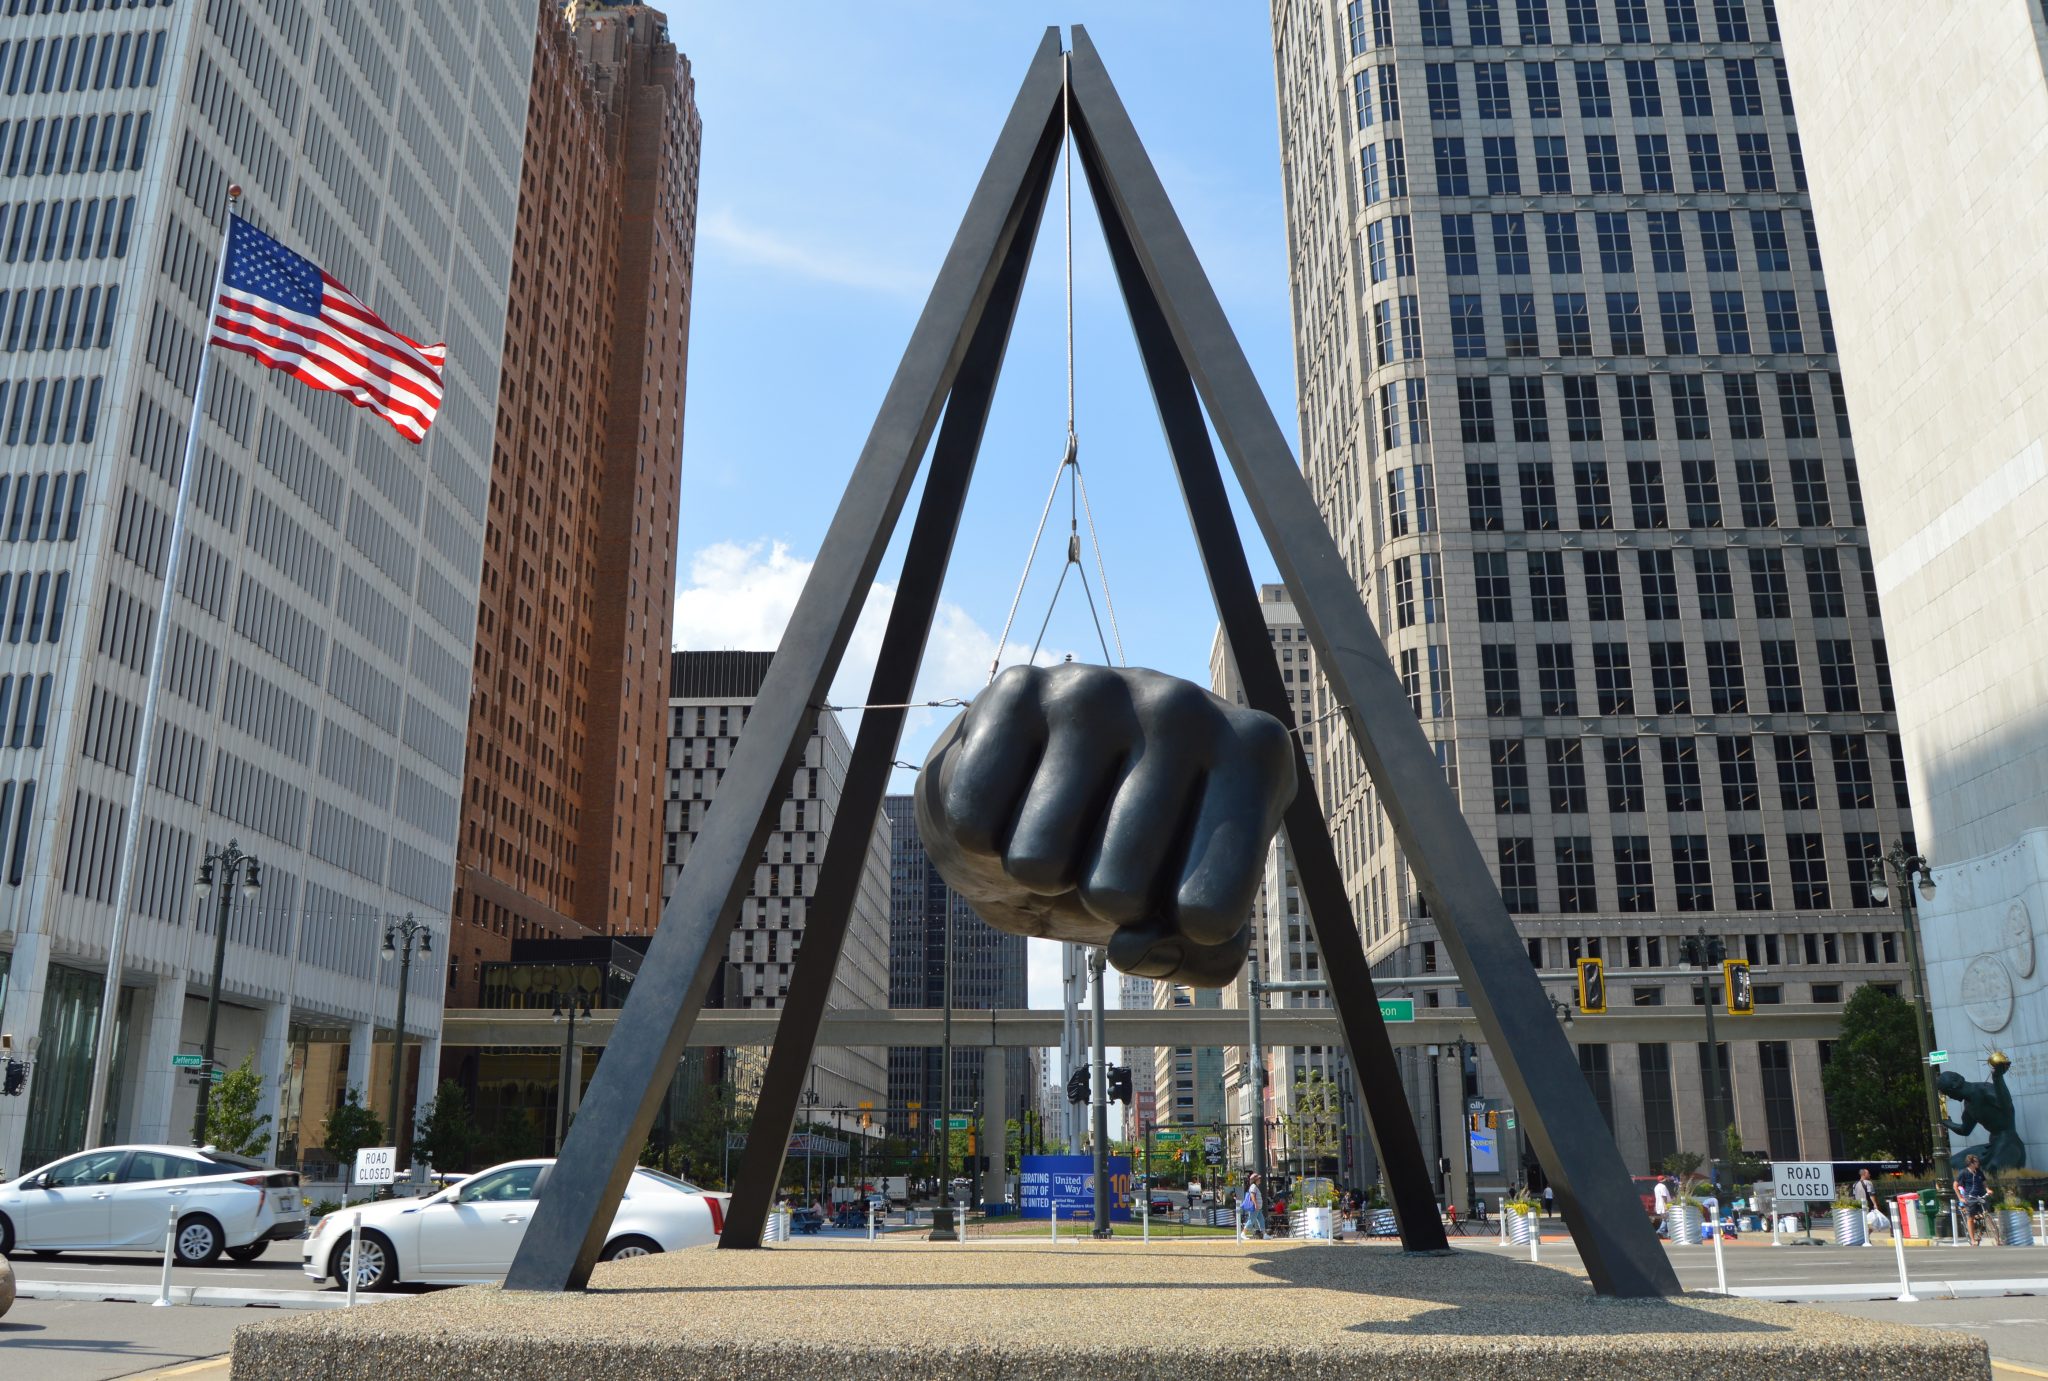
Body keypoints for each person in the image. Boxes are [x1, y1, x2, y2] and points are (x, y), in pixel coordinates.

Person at [1957, 1154, 1991, 1246]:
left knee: (1985, 1213)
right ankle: (1972, 1239)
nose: (1978, 1163)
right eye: (1976, 1161)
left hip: (1980, 1196)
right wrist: (1960, 1197)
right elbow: (1955, 1185)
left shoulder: (1979, 1172)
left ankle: (1980, 1227)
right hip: (1970, 1197)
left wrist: (1987, 1189)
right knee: (1970, 1218)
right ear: (1971, 1163)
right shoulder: (1963, 1173)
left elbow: (1984, 1182)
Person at [1851, 1168, 1888, 1244]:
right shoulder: (1868, 1183)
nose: (1870, 1175)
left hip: (1858, 1207)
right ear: (1864, 1174)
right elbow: (1871, 1194)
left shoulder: (1855, 1184)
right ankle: (1865, 1237)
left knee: (1863, 1224)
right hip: (1867, 1206)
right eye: (1868, 1173)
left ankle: (1864, 1238)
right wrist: (1875, 1204)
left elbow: (1853, 1196)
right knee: (1873, 1223)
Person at [1240, 1174, 1267, 1239]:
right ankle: (1243, 1233)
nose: (1260, 1180)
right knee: (1251, 1220)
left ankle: (1264, 1235)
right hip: (1255, 1207)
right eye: (1258, 1179)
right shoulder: (1253, 1186)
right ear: (1255, 1180)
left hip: (1258, 1208)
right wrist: (1255, 1204)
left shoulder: (1255, 1187)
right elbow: (1252, 1196)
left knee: (1261, 1220)